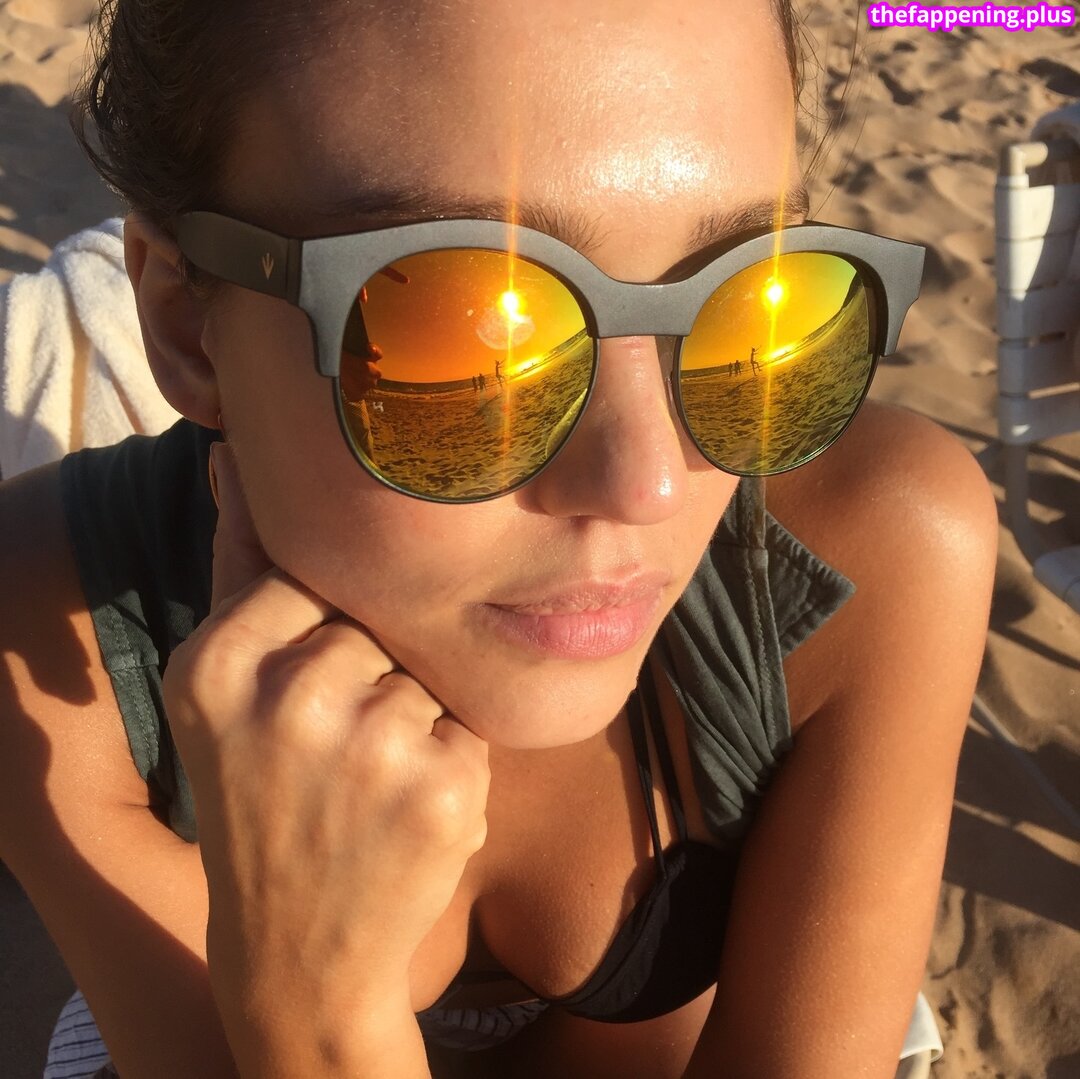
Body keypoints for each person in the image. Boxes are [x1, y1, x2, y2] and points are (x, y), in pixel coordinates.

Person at [0, 2, 997, 1077]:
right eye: (472, 332)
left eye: (756, 305)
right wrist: (322, 1015)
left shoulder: (878, 553)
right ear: (188, 326)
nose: (650, 484)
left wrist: (313, 1017)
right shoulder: (46, 646)